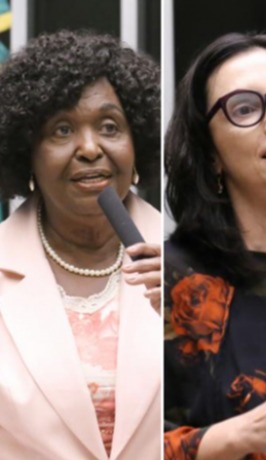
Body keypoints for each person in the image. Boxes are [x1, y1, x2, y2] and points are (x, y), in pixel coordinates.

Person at [0, 30, 162, 459]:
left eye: (110, 127)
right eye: (62, 130)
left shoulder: (195, 258)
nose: (90, 148)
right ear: (27, 153)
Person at [163, 33, 266, 459]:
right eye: (245, 108)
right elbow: (114, 445)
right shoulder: (168, 281)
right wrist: (237, 436)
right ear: (210, 154)